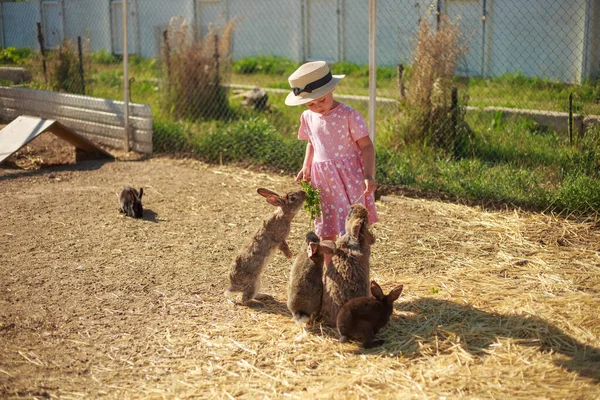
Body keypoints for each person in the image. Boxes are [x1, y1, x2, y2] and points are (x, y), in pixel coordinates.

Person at [285, 60, 378, 244]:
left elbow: (367, 146)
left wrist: (369, 174)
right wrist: (306, 166)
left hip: (348, 177)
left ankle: (352, 268)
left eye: (321, 100)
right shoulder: (307, 117)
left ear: (331, 90)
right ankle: (330, 270)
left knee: (352, 227)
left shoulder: (349, 115)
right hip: (323, 180)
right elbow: (312, 142)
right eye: (310, 104)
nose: (317, 106)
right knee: (325, 226)